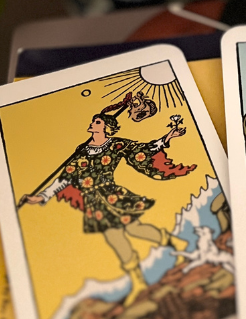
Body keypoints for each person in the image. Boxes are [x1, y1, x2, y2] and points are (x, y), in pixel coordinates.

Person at [21, 98, 195, 306]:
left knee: (134, 229)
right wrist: (42, 196)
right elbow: (66, 177)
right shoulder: (82, 150)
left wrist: (167, 137)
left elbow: (142, 151)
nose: (92, 124)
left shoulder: (115, 145)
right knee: (116, 240)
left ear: (106, 128)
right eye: (94, 122)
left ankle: (176, 243)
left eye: (96, 122)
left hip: (111, 195)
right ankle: (139, 282)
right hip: (93, 202)